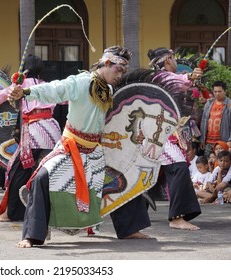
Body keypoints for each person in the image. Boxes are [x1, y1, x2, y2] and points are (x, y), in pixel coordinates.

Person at [9, 46, 152, 248]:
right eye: (118, 70)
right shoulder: (82, 81)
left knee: (123, 174)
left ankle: (130, 229)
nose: (120, 75)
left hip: (95, 150)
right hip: (71, 146)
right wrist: (26, 92)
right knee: (42, 177)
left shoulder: (108, 89)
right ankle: (32, 235)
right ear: (108, 64)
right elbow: (56, 89)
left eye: (123, 72)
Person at [0, 54, 61, 222]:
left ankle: (11, 212)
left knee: (17, 170)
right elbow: (66, 98)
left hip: (33, 131)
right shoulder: (47, 86)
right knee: (50, 171)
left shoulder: (20, 84)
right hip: (52, 131)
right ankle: (54, 213)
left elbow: (2, 95)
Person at [148, 47, 202, 230]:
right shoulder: (160, 77)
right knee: (178, 167)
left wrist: (192, 81)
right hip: (158, 134)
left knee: (153, 175)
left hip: (164, 132)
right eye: (173, 58)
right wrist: (190, 77)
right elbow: (178, 80)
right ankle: (177, 218)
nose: (175, 61)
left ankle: (134, 216)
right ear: (169, 59)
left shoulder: (161, 78)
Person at [199, 81, 231, 158]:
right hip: (208, 142)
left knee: (222, 164)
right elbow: (203, 121)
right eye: (215, 91)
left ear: (225, 91)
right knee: (208, 164)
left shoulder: (229, 104)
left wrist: (230, 140)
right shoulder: (209, 103)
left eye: (219, 91)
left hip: (222, 142)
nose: (217, 94)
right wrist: (202, 139)